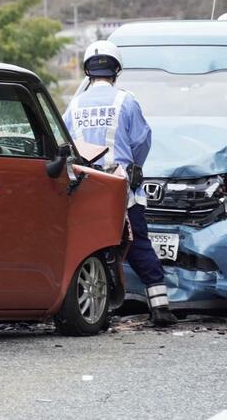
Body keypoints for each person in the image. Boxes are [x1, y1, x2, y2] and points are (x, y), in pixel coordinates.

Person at [63, 40, 177, 327]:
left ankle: (94, 308)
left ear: (88, 70)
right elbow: (142, 140)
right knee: (137, 243)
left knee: (88, 246)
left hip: (86, 188)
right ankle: (160, 307)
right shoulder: (125, 100)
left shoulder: (74, 104)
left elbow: (64, 141)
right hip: (122, 187)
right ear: (116, 69)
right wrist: (135, 166)